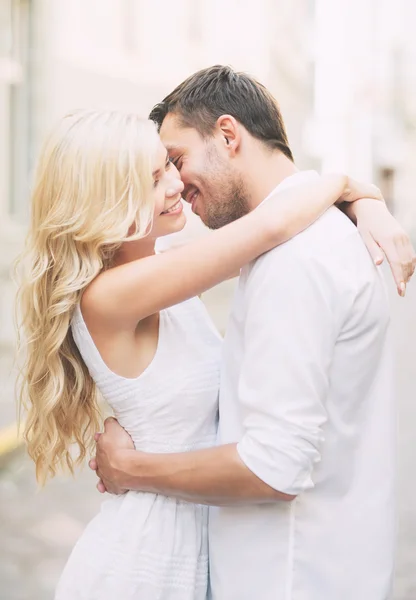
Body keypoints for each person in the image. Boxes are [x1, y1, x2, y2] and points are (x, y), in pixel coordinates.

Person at [90, 66, 416, 600]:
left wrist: (132, 468)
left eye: (176, 161)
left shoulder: (296, 259)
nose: (175, 185)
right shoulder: (297, 239)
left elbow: (274, 467)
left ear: (227, 134)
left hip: (290, 577)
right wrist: (357, 194)